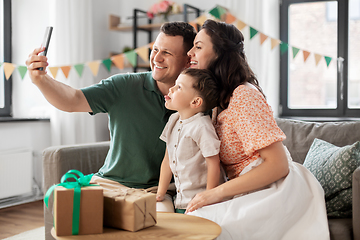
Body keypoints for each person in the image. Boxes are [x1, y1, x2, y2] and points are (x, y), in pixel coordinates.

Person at [25, 22, 197, 212]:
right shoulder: (123, 86)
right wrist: (41, 80)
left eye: (167, 53)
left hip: (157, 192)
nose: (157, 58)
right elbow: (73, 100)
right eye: (155, 49)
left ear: (188, 61)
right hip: (110, 183)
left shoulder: (197, 100)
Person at [185, 19, 330, 240]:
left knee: (205, 227)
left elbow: (278, 165)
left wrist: (214, 194)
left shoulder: (244, 95)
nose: (189, 52)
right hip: (249, 188)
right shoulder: (219, 103)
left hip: (277, 188)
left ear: (220, 53)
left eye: (198, 46)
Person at [156, 68, 221, 214]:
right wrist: (160, 193)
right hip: (180, 200)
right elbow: (167, 160)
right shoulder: (173, 120)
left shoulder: (202, 126)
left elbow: (214, 164)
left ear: (195, 102)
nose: (171, 89)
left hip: (200, 203)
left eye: (179, 87)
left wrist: (208, 198)